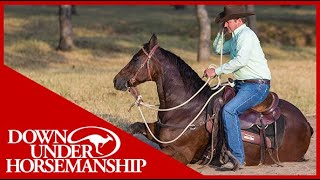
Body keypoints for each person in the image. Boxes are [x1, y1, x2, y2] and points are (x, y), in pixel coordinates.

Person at [204, 5, 271, 170]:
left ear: (239, 20)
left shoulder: (247, 36)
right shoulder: (235, 37)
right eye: (224, 23)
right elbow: (218, 49)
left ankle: (238, 158)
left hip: (256, 86)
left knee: (229, 110)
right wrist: (221, 34)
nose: (225, 25)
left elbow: (240, 61)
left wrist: (216, 71)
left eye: (227, 22)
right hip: (242, 84)